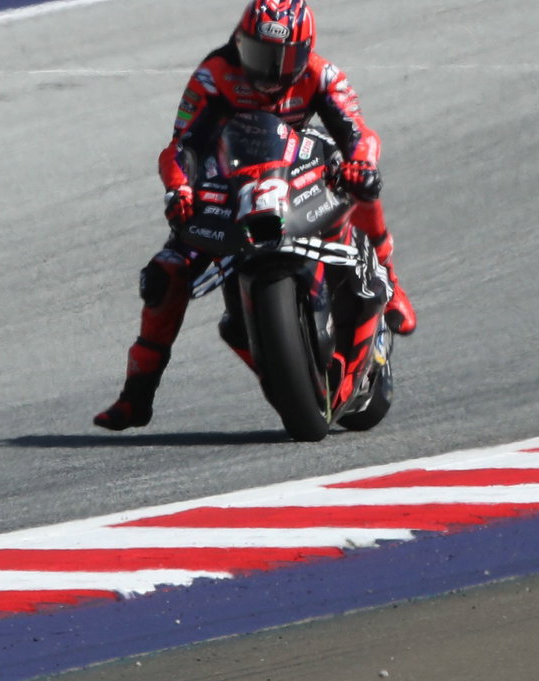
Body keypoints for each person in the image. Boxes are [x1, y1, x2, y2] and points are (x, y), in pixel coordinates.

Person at [94, 0, 416, 431]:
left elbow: (358, 133)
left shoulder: (322, 74)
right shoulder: (214, 74)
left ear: (306, 51)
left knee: (360, 187)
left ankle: (389, 280)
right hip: (232, 184)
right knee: (165, 274)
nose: (270, 69)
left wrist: (363, 164)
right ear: (241, 41)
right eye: (261, 54)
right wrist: (179, 188)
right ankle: (137, 395)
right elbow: (182, 147)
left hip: (302, 171)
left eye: (284, 58)